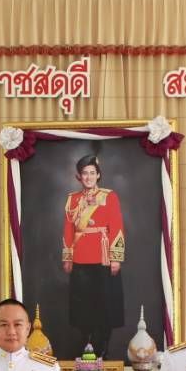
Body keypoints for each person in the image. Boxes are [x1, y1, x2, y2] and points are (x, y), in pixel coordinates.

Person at [60, 153, 125, 357]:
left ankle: (102, 346)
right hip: (80, 259)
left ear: (98, 175)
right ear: (79, 177)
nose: (88, 177)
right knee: (83, 305)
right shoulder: (72, 199)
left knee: (104, 305)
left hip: (103, 258)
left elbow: (116, 226)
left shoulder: (109, 196)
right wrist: (68, 257)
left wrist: (116, 257)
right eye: (84, 173)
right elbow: (68, 230)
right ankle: (86, 343)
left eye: (92, 173)